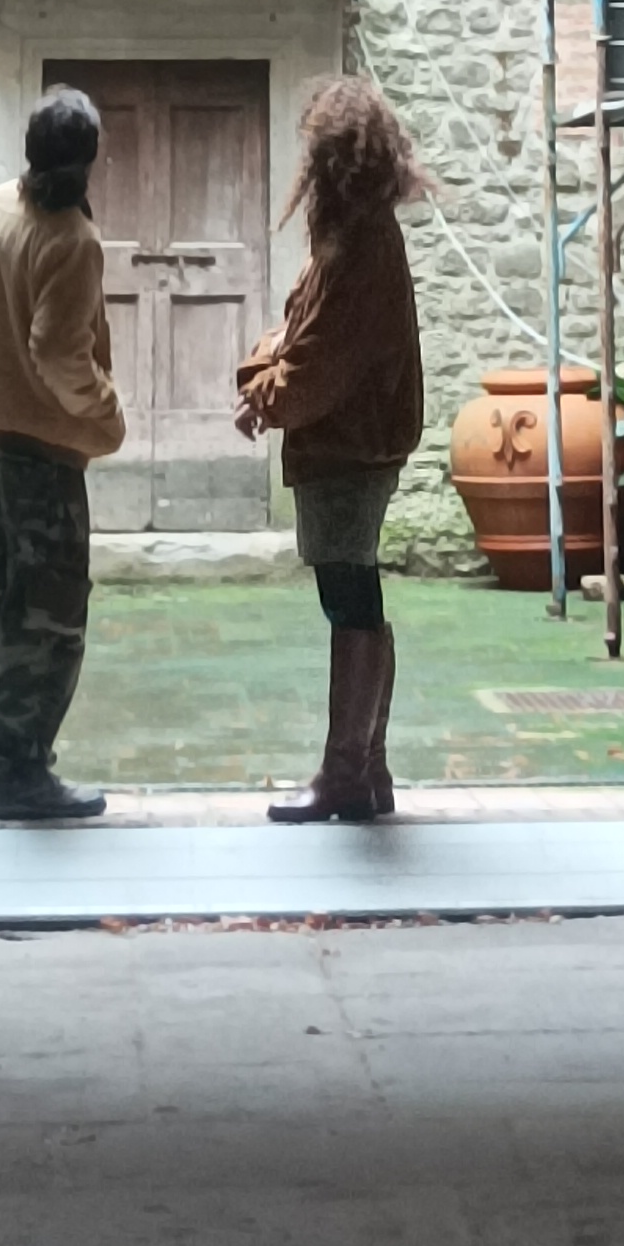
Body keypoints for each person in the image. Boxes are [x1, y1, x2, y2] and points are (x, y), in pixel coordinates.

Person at [235, 76, 429, 823]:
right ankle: (366, 767)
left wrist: (260, 387)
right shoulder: (357, 238)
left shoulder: (359, 249)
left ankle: (347, 770)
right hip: (355, 443)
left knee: (350, 599)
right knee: (356, 596)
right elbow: (299, 334)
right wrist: (269, 377)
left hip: (349, 447)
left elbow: (315, 363)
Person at [0, 86, 125, 820]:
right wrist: (106, 416)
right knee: (46, 618)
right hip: (46, 458)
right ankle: (16, 771)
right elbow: (59, 352)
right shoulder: (72, 240)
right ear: (90, 158)